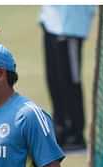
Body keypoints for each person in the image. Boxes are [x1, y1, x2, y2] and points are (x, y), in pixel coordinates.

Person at [39, 5, 96, 151]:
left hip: (70, 25)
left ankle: (74, 134)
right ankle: (61, 129)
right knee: (54, 80)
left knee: (69, 81)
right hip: (50, 22)